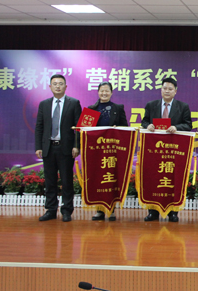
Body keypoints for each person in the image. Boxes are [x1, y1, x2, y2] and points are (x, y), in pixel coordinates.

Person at [141, 77, 193, 222]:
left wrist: (177, 127)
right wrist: (148, 126)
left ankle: (173, 212)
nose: (167, 91)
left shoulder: (183, 106)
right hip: (155, 150)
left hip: (173, 150)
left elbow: (188, 125)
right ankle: (152, 212)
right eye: (165, 88)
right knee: (154, 177)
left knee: (172, 177)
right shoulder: (151, 105)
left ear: (175, 91)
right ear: (161, 90)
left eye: (170, 89)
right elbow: (144, 121)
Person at [35, 74, 81, 222]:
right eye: (55, 84)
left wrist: (76, 146)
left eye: (60, 84)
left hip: (66, 148)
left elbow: (78, 127)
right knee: (50, 181)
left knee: (67, 181)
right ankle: (51, 210)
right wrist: (39, 146)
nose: (58, 86)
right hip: (48, 148)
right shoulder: (44, 104)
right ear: (50, 87)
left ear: (65, 86)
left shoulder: (74, 103)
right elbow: (39, 127)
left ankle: (67, 211)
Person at [88, 81, 128, 221]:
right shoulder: (91, 109)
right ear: (98, 92)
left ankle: (111, 210)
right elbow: (84, 131)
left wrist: (118, 129)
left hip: (112, 151)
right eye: (102, 91)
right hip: (96, 151)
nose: (104, 93)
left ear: (111, 93)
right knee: (98, 179)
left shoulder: (118, 108)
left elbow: (125, 128)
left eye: (107, 91)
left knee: (111, 179)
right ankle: (99, 210)